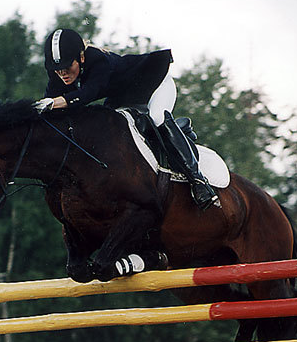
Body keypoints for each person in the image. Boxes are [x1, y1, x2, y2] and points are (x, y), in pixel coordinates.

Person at [35, 28, 220, 210]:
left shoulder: (98, 60)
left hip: (155, 84)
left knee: (157, 118)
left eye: (67, 67)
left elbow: (86, 95)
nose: (63, 74)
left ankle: (198, 181)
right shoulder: (58, 72)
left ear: (81, 57)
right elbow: (51, 109)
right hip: (125, 96)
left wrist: (53, 103)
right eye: (57, 70)